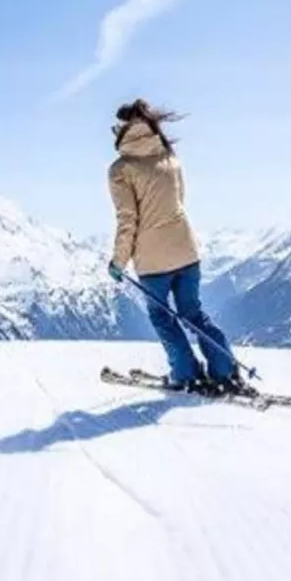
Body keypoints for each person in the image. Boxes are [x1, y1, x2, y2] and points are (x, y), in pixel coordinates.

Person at [106, 99, 245, 396]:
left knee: (162, 317)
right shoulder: (170, 157)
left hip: (153, 262)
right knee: (194, 314)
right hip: (186, 250)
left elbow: (128, 220)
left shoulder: (121, 169)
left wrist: (118, 262)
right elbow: (179, 201)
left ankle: (186, 374)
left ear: (124, 129)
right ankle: (224, 371)